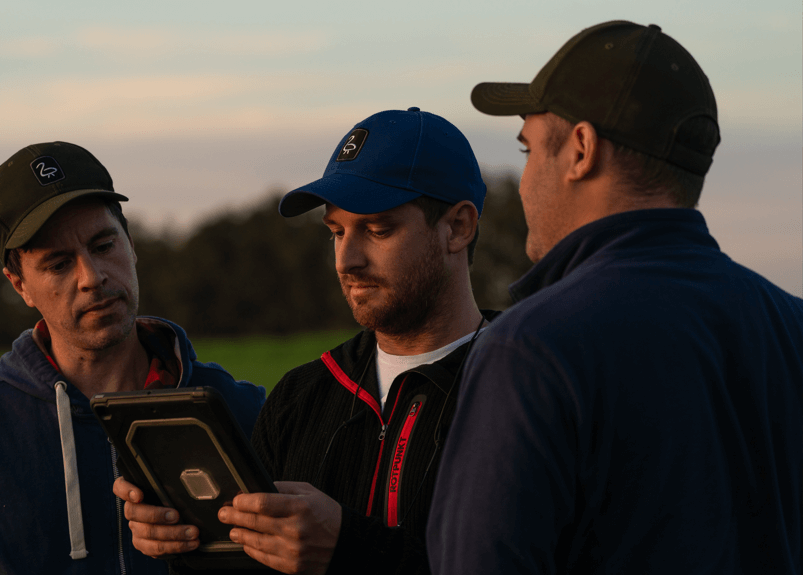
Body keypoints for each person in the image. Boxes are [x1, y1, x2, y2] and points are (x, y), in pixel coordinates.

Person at [427, 20, 803, 574]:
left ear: (581, 150)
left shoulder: (531, 350)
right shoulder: (792, 326)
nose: (524, 180)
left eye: (528, 150)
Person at [116, 107, 500, 574]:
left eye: (378, 230)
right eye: (336, 232)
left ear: (458, 227)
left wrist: (349, 548)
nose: (346, 260)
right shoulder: (300, 397)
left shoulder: (525, 390)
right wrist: (189, 543)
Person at [0, 141, 266, 574]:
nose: (92, 277)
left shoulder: (245, 411)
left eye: (104, 245)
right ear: (19, 284)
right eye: (58, 264)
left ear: (131, 244)